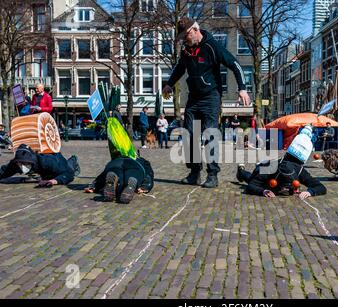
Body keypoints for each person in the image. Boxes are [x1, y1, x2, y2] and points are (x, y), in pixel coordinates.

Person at [162, 17, 251, 188]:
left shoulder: (212, 46)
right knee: (189, 135)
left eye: (185, 36)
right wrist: (169, 84)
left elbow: (235, 64)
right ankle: (194, 173)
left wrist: (242, 88)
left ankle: (212, 174)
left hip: (211, 97)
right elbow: (180, 67)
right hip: (194, 98)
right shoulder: (186, 50)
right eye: (181, 38)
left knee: (210, 134)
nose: (184, 41)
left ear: (195, 30)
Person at [0, 144, 80, 186]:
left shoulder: (47, 161)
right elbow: (4, 171)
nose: (23, 166)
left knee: (69, 166)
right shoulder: (16, 164)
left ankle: (73, 159)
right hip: (44, 172)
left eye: (26, 163)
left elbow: (69, 174)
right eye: (20, 163)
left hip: (57, 160)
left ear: (31, 161)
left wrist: (54, 181)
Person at [84, 156, 154, 204]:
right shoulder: (141, 159)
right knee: (132, 176)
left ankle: (117, 184)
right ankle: (130, 183)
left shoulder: (118, 155)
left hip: (116, 162)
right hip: (135, 165)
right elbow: (149, 173)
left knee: (115, 174)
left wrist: (94, 186)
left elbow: (102, 175)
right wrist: (145, 186)